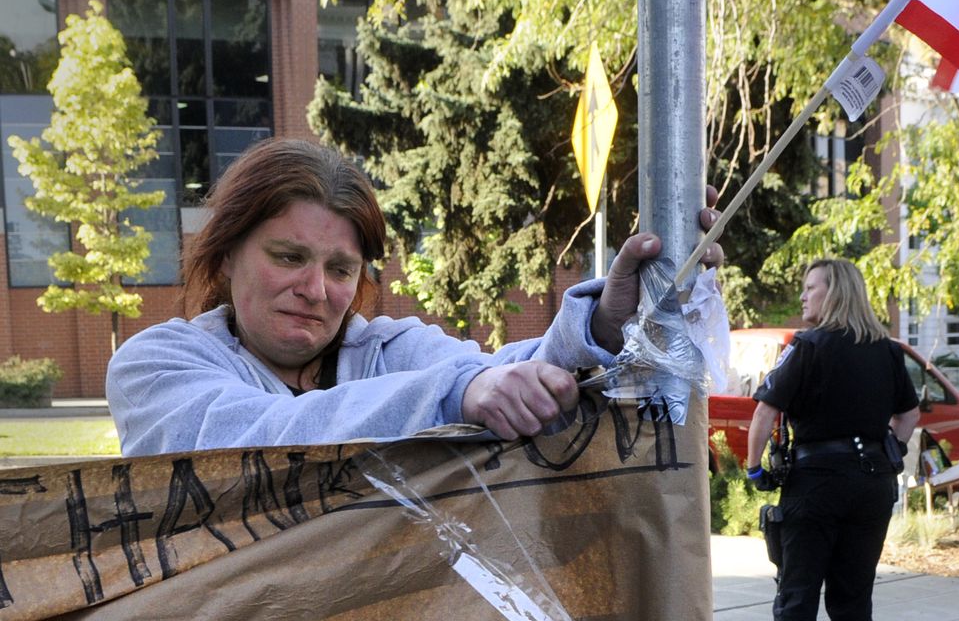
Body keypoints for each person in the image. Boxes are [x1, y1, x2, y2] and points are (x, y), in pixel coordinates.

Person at [107, 138, 723, 456]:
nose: (316, 290)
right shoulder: (155, 365)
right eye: (289, 257)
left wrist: (609, 321)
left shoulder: (387, 349)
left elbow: (497, 372)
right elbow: (259, 438)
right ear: (226, 254)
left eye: (341, 268)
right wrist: (455, 397)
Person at [745, 259, 919, 621]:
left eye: (810, 288)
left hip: (816, 481)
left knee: (798, 589)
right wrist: (890, 451)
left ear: (834, 293)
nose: (803, 296)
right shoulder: (885, 350)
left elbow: (765, 412)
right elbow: (908, 416)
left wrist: (753, 468)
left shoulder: (807, 346)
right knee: (853, 593)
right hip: (872, 483)